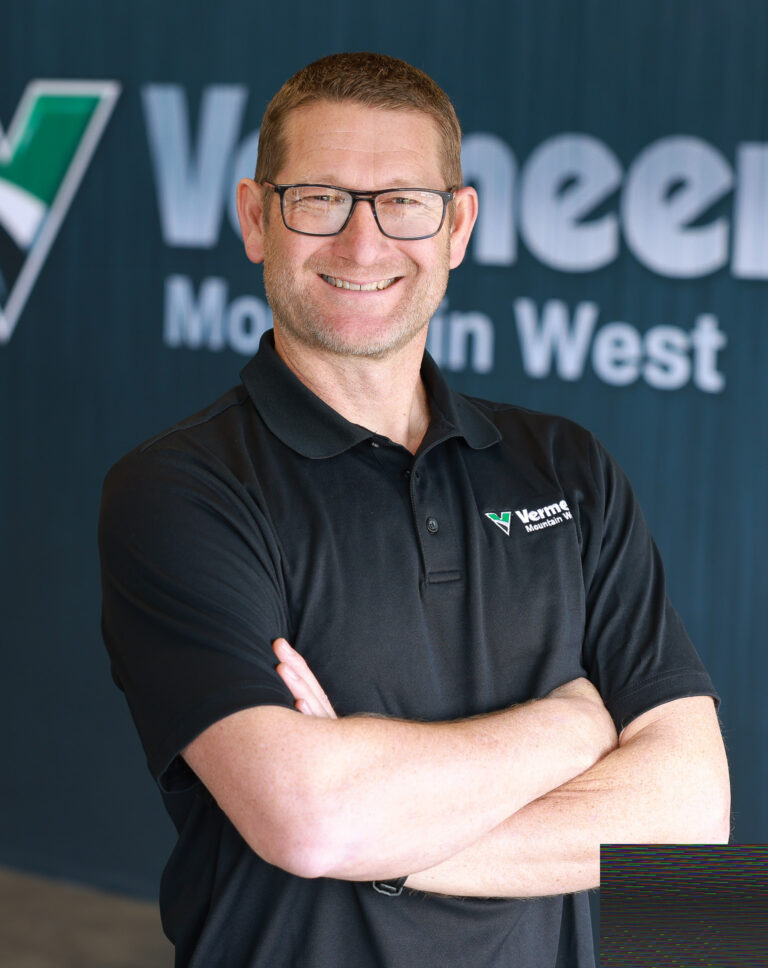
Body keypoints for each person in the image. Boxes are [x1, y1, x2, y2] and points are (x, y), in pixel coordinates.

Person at [99, 52, 730, 968]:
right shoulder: (179, 487)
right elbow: (310, 822)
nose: (364, 244)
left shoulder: (568, 467)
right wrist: (578, 725)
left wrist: (381, 839)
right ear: (253, 218)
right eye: (319, 198)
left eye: (403, 202)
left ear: (457, 225)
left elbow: (694, 823)